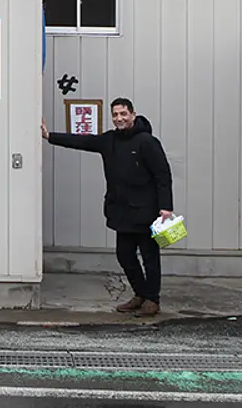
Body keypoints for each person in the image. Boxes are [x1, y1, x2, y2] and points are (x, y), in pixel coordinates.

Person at [42, 97, 174, 316]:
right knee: (124, 256)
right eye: (115, 115)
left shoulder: (147, 142)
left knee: (150, 257)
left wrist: (166, 207)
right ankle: (140, 293)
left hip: (146, 211)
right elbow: (83, 141)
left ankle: (153, 300)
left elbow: (163, 176)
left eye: (123, 114)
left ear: (133, 114)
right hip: (121, 211)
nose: (119, 118)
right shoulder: (109, 140)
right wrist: (50, 136)